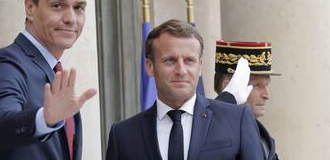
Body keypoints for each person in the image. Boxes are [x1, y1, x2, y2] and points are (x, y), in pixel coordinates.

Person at [0, 0, 97, 159]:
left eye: (78, 7)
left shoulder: (54, 71)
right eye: (57, 6)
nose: (71, 18)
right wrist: (44, 119)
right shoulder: (5, 63)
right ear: (30, 8)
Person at [106, 19, 264, 160]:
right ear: (149, 67)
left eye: (189, 60)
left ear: (200, 66)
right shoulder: (123, 135)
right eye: (170, 60)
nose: (181, 70)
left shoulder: (237, 120)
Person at [214, 40, 280, 160]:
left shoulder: (261, 135)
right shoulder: (214, 138)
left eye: (266, 85)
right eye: (257, 85)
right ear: (228, 87)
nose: (267, 95)